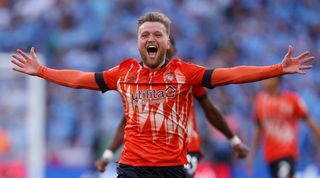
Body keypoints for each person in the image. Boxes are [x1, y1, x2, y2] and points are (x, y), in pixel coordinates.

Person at [11, 12, 315, 178]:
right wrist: (43, 71)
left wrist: (277, 68)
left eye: (157, 34)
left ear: (168, 42)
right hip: (132, 169)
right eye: (145, 35)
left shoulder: (186, 73)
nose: (151, 38)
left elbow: (232, 74)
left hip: (172, 170)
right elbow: (79, 79)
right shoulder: (124, 73)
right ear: (138, 42)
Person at [94, 35, 249, 178]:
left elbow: (211, 111)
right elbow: (126, 122)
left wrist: (233, 140)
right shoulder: (141, 83)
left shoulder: (186, 76)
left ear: (173, 50)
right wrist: (108, 154)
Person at [246, 77, 320, 178]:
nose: (264, 82)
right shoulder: (260, 101)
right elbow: (259, 130)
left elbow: (310, 122)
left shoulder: (292, 99)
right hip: (270, 156)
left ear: (278, 81)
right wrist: (251, 155)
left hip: (287, 153)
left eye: (268, 79)